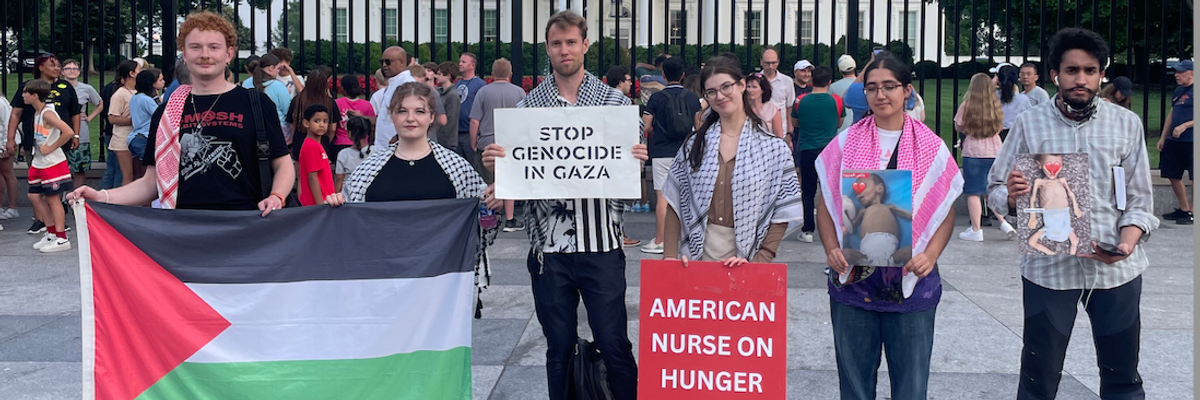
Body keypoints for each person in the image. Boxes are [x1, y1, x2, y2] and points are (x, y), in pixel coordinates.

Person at [480, 11, 646, 399]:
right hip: (548, 251)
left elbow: (626, 167)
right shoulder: (526, 108)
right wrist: (498, 167)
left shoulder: (615, 103)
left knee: (615, 343)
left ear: (585, 45)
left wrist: (637, 153)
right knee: (558, 349)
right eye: (557, 43)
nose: (564, 50)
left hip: (601, 244)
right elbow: (520, 169)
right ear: (548, 48)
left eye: (571, 42)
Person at [988, 27, 1159, 400]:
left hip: (1115, 268)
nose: (1080, 79)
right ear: (1056, 74)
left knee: (1123, 377)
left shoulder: (1125, 124)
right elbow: (995, 190)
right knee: (1038, 379)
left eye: (1090, 70)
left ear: (1101, 74)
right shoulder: (1029, 124)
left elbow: (1141, 200)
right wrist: (1013, 199)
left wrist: (1128, 242)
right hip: (1049, 269)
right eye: (1071, 70)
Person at [814, 55, 962, 400]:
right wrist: (831, 248)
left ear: (907, 91)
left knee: (910, 386)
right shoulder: (844, 142)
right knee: (854, 386)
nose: (881, 95)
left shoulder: (931, 146)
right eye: (872, 88)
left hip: (912, 282)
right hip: (854, 281)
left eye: (890, 86)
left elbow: (944, 210)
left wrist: (931, 253)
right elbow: (824, 204)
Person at [69, 10, 294, 215]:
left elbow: (283, 164)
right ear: (184, 54)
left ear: (229, 54)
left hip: (247, 223)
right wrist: (103, 196)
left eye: (214, 47)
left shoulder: (256, 102)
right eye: (195, 47)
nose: (205, 54)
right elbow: (151, 183)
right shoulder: (165, 113)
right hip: (183, 229)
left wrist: (276, 196)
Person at [662, 59, 803, 266]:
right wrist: (670, 255)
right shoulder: (694, 145)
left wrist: (761, 258)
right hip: (693, 256)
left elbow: (782, 209)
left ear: (742, 85)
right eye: (711, 92)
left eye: (726, 86)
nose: (720, 96)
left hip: (747, 258)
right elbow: (675, 202)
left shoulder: (773, 148)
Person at [8, 54, 82, 234]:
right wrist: (11, 138)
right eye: (52, 65)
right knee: (36, 190)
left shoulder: (63, 90)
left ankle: (58, 229)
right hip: (35, 145)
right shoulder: (31, 92)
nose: (57, 68)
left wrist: (75, 135)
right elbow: (16, 113)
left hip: (54, 147)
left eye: (58, 65)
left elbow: (74, 114)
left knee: (52, 191)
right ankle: (41, 220)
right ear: (40, 67)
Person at [640, 57, 700, 254]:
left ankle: (661, 240)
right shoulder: (693, 98)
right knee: (687, 195)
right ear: (683, 75)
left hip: (662, 152)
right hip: (687, 151)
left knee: (662, 196)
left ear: (663, 75)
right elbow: (699, 127)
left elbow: (646, 126)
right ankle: (688, 237)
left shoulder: (656, 98)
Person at [470, 58, 527, 231]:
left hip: (487, 142)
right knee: (508, 181)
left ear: (492, 74)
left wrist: (474, 143)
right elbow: (525, 120)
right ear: (510, 74)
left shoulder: (483, 92)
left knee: (487, 182)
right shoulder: (519, 92)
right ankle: (510, 219)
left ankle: (489, 217)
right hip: (510, 144)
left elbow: (474, 121)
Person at [790, 65, 845, 244]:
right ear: (829, 82)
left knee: (808, 190)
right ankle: (834, 227)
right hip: (829, 149)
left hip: (807, 147)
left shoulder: (800, 101)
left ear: (812, 80)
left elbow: (795, 123)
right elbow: (839, 123)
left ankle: (807, 229)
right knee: (831, 190)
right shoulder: (836, 101)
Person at [955, 73, 1012, 242]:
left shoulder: (967, 106)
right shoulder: (995, 105)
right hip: (994, 151)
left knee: (973, 191)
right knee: (991, 190)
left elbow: (959, 125)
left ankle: (976, 229)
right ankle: (1004, 223)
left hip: (974, 151)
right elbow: (1000, 127)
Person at [23, 80, 76, 253]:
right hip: (40, 161)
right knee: (34, 196)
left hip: (52, 162)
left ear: (35, 95)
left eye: (26, 92)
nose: (22, 95)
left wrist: (51, 148)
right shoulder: (38, 112)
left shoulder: (47, 113)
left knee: (53, 199)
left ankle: (61, 237)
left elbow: (67, 131)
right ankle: (51, 231)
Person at [1158, 60, 1194, 225]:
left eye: (1180, 72)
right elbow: (1172, 114)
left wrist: (1186, 125)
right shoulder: (1179, 91)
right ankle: (1184, 208)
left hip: (1191, 140)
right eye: (1176, 72)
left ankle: (1193, 212)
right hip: (1175, 140)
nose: (1176, 75)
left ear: (1191, 73)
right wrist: (1163, 137)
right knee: (1172, 174)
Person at [63, 59, 102, 189]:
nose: (72, 71)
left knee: (79, 167)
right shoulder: (58, 87)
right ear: (63, 72)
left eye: (75, 68)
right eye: (68, 68)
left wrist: (89, 117)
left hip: (81, 132)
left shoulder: (86, 88)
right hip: (61, 131)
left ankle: (76, 197)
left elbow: (100, 104)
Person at [286, 68, 340, 159]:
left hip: (300, 140)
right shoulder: (330, 102)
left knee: (301, 171)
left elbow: (292, 124)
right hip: (322, 141)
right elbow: (333, 129)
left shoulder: (298, 100)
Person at [98, 61, 137, 190]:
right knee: (127, 175)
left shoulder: (135, 91)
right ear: (131, 73)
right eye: (139, 70)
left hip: (133, 138)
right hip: (122, 139)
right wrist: (134, 121)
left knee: (134, 175)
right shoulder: (119, 94)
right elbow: (112, 118)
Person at [372, 46, 417, 148]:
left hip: (398, 147)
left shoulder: (407, 83)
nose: (384, 65)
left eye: (388, 62)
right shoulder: (393, 83)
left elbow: (412, 115)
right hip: (384, 147)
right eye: (382, 62)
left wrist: (398, 137)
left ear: (401, 62)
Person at [128, 68, 165, 180]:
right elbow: (160, 115)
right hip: (144, 137)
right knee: (148, 175)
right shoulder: (147, 100)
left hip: (134, 138)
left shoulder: (135, 97)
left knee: (138, 174)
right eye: (160, 80)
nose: (163, 82)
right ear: (152, 84)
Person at [333, 74, 377, 164]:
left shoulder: (337, 103)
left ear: (344, 89)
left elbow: (333, 127)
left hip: (341, 142)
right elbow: (373, 124)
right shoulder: (367, 105)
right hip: (362, 143)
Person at [297, 104, 334, 206]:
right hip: (318, 203)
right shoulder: (311, 146)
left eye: (325, 121)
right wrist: (320, 205)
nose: (322, 124)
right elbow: (312, 177)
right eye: (317, 121)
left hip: (325, 199)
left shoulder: (316, 145)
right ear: (306, 123)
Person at [243, 53, 292, 128]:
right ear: (271, 68)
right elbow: (288, 110)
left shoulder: (246, 83)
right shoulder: (278, 85)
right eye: (278, 68)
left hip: (251, 126)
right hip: (277, 127)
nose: (278, 71)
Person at [456, 52, 487, 163]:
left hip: (470, 132)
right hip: (457, 131)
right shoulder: (458, 83)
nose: (460, 64)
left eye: (464, 62)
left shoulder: (480, 84)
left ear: (472, 65)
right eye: (460, 61)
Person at [760, 47, 796, 134]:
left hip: (781, 132)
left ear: (778, 62)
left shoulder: (787, 81)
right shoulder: (755, 81)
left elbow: (789, 108)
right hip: (759, 131)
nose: (771, 66)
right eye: (767, 63)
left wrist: (790, 132)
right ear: (761, 62)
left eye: (773, 63)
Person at [994, 64, 1033, 140]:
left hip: (996, 134)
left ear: (998, 79)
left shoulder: (992, 97)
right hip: (1016, 136)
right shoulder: (1023, 99)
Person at [335, 115, 372, 192]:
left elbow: (339, 179)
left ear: (350, 133)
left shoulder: (343, 154)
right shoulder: (377, 151)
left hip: (349, 195)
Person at [433, 62, 462, 150]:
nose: (436, 76)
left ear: (448, 76)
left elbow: (450, 121)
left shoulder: (452, 95)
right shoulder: (440, 92)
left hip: (447, 142)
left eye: (439, 74)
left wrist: (439, 139)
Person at [745, 72, 784, 137]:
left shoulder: (773, 109)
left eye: (754, 87)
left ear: (762, 90)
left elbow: (779, 137)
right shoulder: (743, 108)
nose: (750, 90)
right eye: (748, 87)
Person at [831, 55, 858, 131]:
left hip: (841, 129)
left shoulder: (833, 87)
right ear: (855, 67)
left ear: (840, 70)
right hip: (859, 127)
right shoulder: (863, 85)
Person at [0, 94, 16, 222]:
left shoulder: (1, 103)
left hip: (2, 144)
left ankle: (12, 207)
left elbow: (8, 124)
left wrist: (6, 144)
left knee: (7, 174)